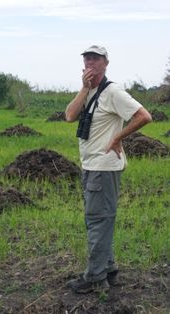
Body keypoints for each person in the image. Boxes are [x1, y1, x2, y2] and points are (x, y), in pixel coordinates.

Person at [65, 45, 152, 294]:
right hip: (91, 165)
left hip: (103, 167)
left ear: (106, 63)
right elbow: (70, 116)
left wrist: (118, 137)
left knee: (97, 221)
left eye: (96, 59)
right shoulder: (90, 92)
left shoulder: (113, 91)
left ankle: (95, 277)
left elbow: (144, 116)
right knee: (100, 221)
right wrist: (84, 88)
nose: (90, 63)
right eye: (87, 59)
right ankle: (109, 268)